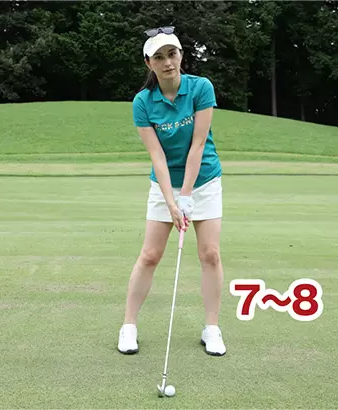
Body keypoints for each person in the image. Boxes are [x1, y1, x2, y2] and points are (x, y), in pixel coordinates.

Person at [117, 26, 226, 357]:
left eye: (172, 54)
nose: (167, 62)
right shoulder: (143, 102)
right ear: (148, 63)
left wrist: (187, 195)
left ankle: (211, 328)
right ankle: (128, 326)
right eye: (159, 57)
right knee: (150, 255)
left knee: (210, 254)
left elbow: (197, 145)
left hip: (204, 180)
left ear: (181, 56)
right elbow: (157, 156)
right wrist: (171, 201)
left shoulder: (200, 88)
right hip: (164, 184)